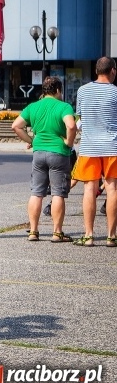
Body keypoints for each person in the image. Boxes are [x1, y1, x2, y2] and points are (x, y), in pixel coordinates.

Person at [11, 76, 77, 242]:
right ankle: (57, 233)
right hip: (59, 153)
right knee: (57, 193)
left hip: (39, 153)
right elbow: (71, 125)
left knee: (36, 192)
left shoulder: (33, 107)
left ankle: (33, 231)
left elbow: (16, 126)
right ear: (57, 90)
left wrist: (31, 141)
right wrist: (68, 143)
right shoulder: (64, 107)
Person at [70, 56, 117, 247]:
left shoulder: (82, 90)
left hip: (89, 147)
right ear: (112, 70)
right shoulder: (115, 93)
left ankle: (88, 235)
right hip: (112, 146)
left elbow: (79, 120)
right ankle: (111, 236)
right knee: (112, 188)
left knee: (89, 188)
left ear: (97, 71)